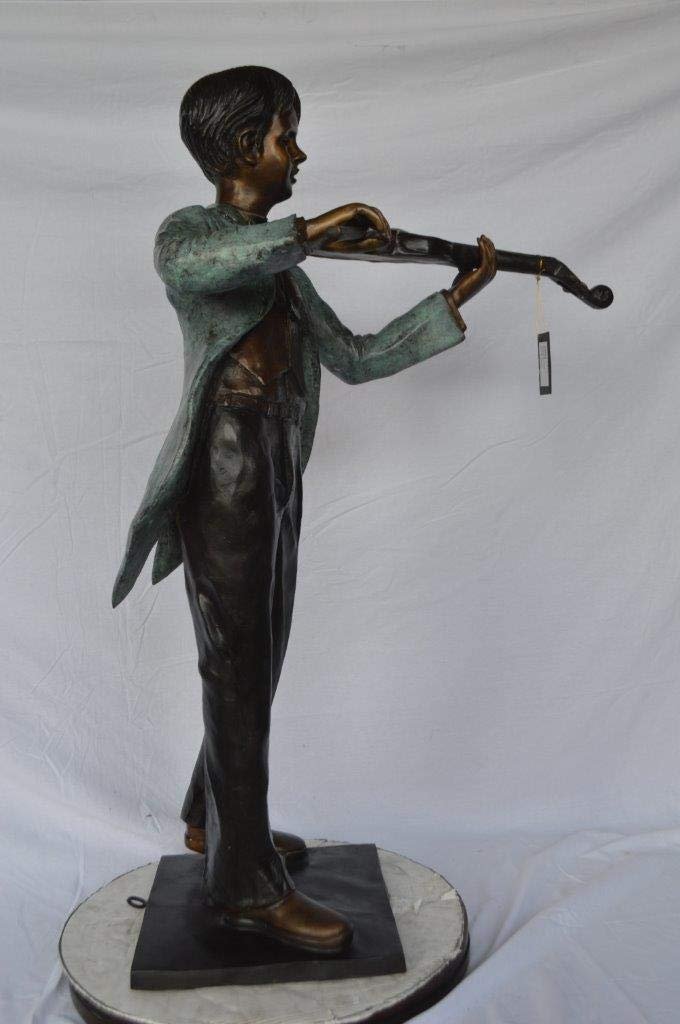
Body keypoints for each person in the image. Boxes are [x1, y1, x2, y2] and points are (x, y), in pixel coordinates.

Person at [112, 65, 496, 954]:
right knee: (237, 666)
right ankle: (245, 887)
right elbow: (194, 266)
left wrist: (452, 300)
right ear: (244, 146)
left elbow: (354, 358)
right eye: (288, 136)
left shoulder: (285, 268)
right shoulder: (195, 234)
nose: (300, 154)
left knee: (256, 656)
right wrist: (310, 232)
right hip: (226, 467)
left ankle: (210, 817)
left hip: (275, 465)